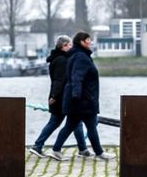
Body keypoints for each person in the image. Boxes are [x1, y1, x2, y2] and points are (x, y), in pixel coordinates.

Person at [49, 31, 115, 161]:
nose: (90, 42)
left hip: (77, 100)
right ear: (81, 42)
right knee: (91, 125)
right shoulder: (81, 57)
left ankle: (56, 150)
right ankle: (100, 153)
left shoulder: (75, 55)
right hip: (83, 100)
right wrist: (77, 96)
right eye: (88, 40)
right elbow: (77, 78)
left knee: (69, 126)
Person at [28, 35, 89, 159]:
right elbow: (59, 80)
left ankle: (82, 149)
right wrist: (54, 96)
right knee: (63, 122)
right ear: (63, 46)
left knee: (71, 122)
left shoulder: (58, 58)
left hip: (61, 95)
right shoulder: (62, 60)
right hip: (61, 97)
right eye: (70, 45)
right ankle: (38, 146)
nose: (71, 47)